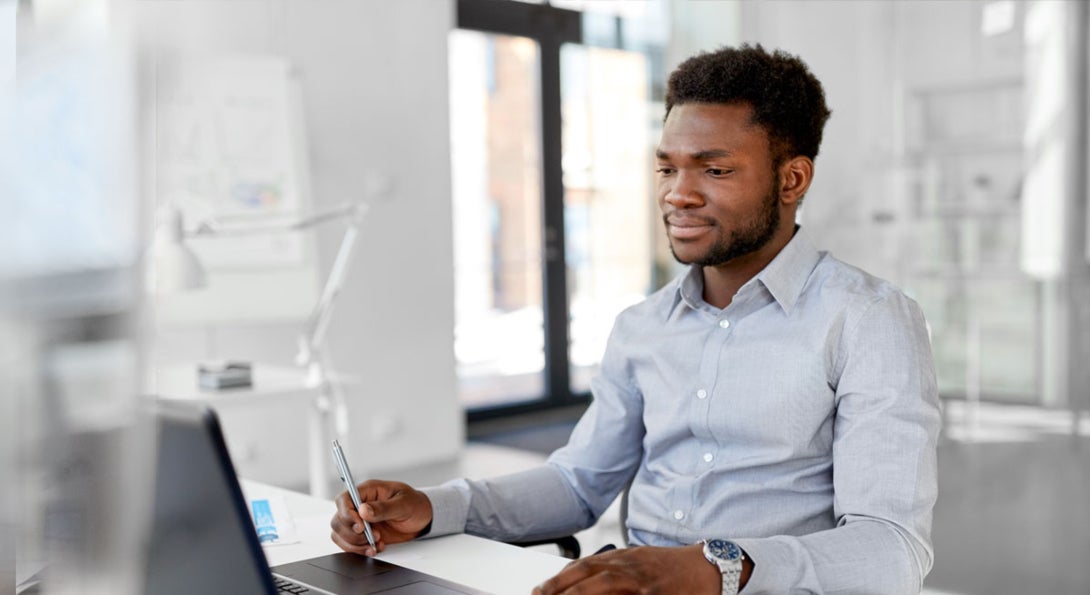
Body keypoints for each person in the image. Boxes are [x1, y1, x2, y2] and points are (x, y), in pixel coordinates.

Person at [331, 44, 940, 595]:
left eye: (715, 169)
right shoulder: (643, 325)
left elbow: (891, 551)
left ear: (792, 178)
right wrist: (436, 508)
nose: (678, 193)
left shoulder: (870, 320)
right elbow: (578, 484)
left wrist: (712, 568)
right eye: (668, 168)